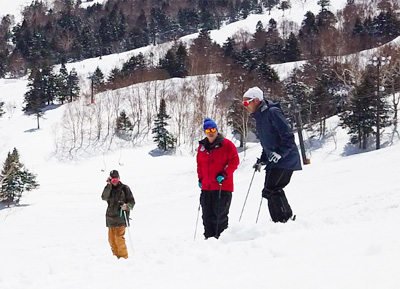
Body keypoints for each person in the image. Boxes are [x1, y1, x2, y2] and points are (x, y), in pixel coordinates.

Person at [243, 87, 302, 223]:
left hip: (286, 159)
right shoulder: (260, 117)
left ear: (256, 100)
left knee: (272, 189)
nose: (245, 106)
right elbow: (268, 143)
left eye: (247, 103)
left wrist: (279, 153)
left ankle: (284, 220)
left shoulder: (273, 112)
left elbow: (288, 137)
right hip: (275, 160)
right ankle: (279, 220)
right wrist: (263, 159)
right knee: (268, 191)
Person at [197, 118, 239, 239]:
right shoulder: (202, 148)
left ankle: (221, 240)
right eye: (208, 130)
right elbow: (199, 165)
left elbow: (234, 161)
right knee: (206, 217)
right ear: (205, 132)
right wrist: (200, 179)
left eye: (213, 129)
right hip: (206, 188)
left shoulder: (226, 144)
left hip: (222, 187)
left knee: (219, 217)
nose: (211, 132)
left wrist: (225, 174)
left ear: (217, 130)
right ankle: (208, 239)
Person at [101, 170, 135, 259]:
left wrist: (126, 206)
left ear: (119, 178)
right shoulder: (109, 188)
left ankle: (124, 258)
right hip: (110, 218)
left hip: (121, 218)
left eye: (116, 180)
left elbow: (132, 202)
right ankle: (116, 258)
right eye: (113, 180)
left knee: (119, 239)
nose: (114, 182)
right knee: (112, 241)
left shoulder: (125, 188)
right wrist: (108, 186)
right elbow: (104, 197)